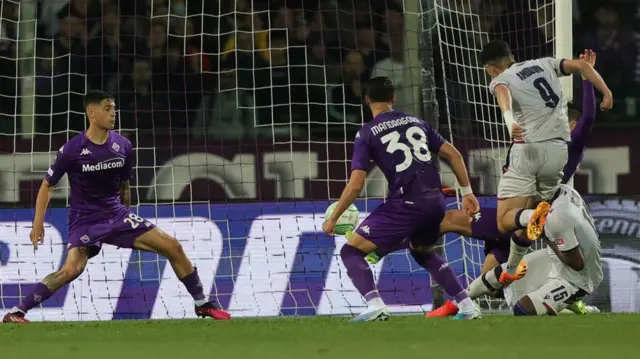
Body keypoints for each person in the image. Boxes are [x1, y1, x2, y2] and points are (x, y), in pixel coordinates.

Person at [3, 90, 231, 323]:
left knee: (172, 246)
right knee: (71, 271)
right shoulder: (72, 149)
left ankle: (203, 304)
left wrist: (127, 216)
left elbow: (125, 186)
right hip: (86, 220)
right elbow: (46, 185)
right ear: (91, 113)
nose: (113, 113)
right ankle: (17, 312)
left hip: (118, 215)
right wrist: (37, 224)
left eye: (114, 108)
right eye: (107, 108)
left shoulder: (123, 146)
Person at [322, 77, 481, 321]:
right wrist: (467, 192)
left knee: (350, 251)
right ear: (393, 99)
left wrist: (333, 217)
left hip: (407, 203)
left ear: (367, 100)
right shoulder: (417, 122)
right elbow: (455, 155)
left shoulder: (366, 133)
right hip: (436, 201)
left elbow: (356, 184)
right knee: (422, 250)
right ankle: (468, 306)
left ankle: (375, 304)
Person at [481, 40, 611, 286]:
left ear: (490, 68)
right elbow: (583, 66)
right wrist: (606, 92)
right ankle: (511, 266)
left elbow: (503, 97)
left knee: (505, 219)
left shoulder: (501, 79)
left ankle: (535, 217)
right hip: (558, 152)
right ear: (512, 55)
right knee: (529, 218)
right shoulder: (544, 63)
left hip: (528, 150)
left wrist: (510, 122)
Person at [465, 184, 603, 316]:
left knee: (523, 309)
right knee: (501, 273)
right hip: (557, 257)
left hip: (579, 278)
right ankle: (459, 301)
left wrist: (545, 236)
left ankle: (565, 303)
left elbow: (577, 264)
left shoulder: (557, 217)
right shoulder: (564, 191)